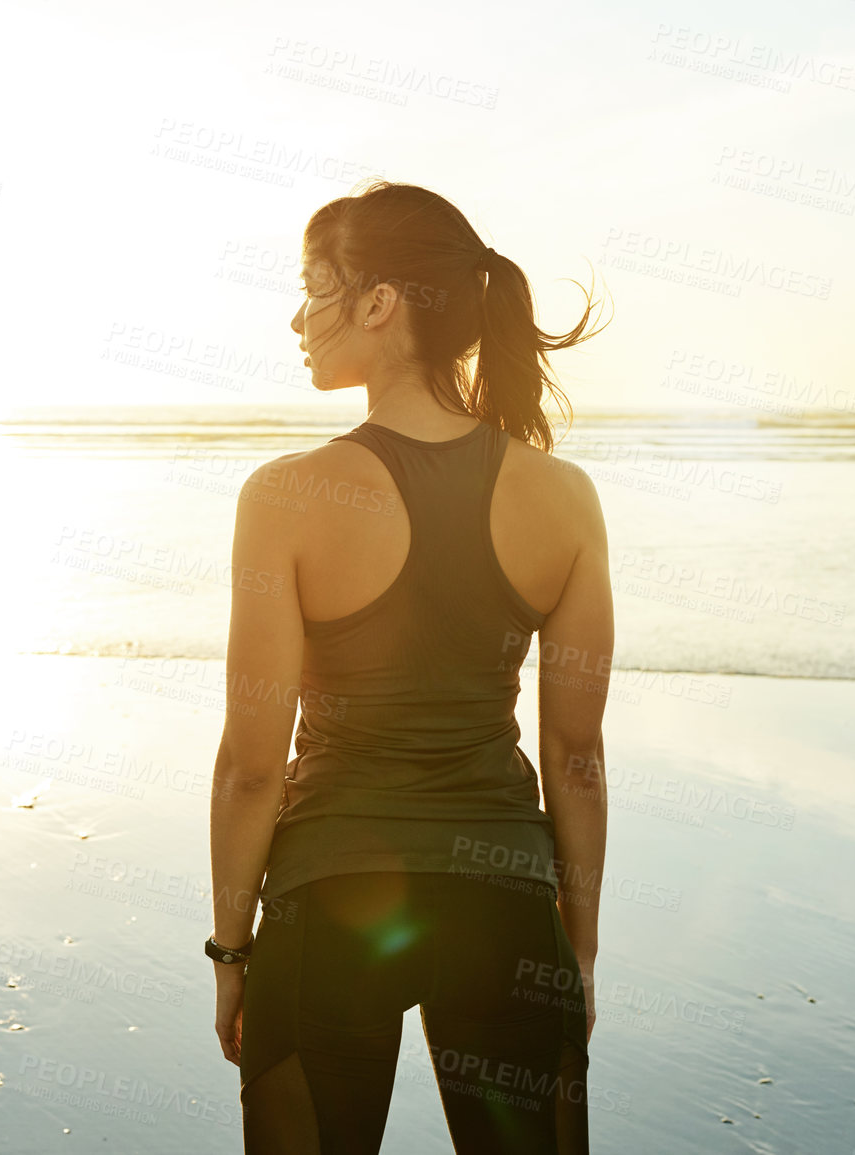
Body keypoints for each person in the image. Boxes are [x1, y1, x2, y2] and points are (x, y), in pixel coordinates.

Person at [205, 180, 613, 1153]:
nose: (298, 317)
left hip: (329, 904)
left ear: (381, 302)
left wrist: (231, 953)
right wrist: (577, 948)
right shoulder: (564, 498)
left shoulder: (286, 496)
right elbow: (577, 759)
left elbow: (253, 765)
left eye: (316, 287)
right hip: (509, 908)